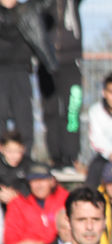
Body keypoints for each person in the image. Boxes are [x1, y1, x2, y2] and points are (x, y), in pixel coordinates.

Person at [0, 0, 57, 161]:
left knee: (23, 116)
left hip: (21, 70)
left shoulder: (28, 9)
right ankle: (3, 161)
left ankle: (25, 159)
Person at [4, 163, 69, 244]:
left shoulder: (65, 199)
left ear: (52, 181)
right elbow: (10, 234)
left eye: (43, 180)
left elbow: (66, 232)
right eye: (34, 181)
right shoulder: (19, 202)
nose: (38, 185)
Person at [38, 0, 83, 173]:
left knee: (72, 110)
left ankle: (70, 158)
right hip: (46, 61)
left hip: (71, 61)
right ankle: (55, 158)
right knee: (50, 111)